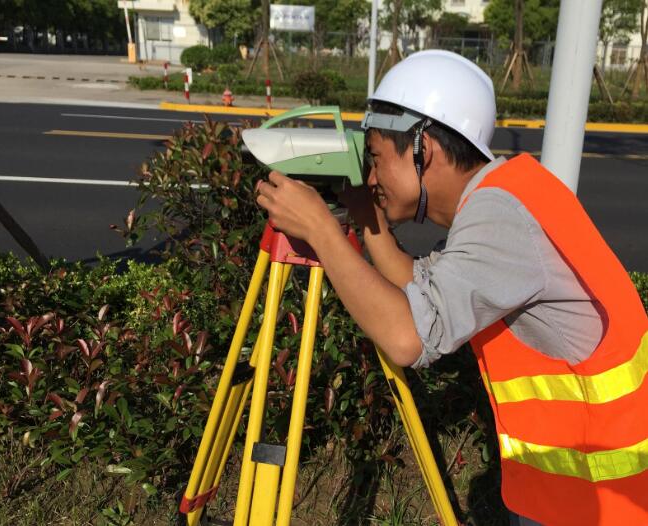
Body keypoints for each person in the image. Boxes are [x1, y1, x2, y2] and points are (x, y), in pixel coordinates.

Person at [256, 50, 648, 525]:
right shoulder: (512, 192)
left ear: (424, 150)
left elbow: (408, 337)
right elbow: (417, 287)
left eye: (377, 158)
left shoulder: (499, 217)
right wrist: (364, 214)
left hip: (599, 501)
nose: (372, 175)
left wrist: (321, 229)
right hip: (585, 487)